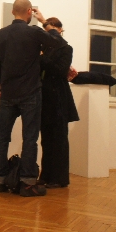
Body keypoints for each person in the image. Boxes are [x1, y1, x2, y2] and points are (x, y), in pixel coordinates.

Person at [0, 0, 64, 197]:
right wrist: (44, 22)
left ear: (13, 11)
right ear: (30, 11)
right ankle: (27, 183)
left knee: (1, 138)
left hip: (8, 93)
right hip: (30, 92)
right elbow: (58, 42)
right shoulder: (34, 32)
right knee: (30, 139)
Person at [38, 17, 78, 189]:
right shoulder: (46, 49)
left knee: (59, 139)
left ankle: (59, 178)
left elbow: (60, 70)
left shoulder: (66, 48)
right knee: (46, 139)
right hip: (45, 97)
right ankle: (46, 175)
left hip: (59, 98)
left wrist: (42, 59)